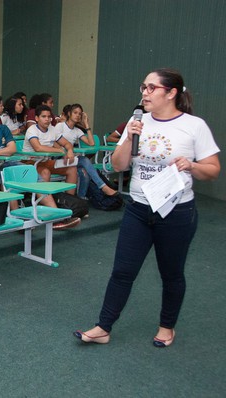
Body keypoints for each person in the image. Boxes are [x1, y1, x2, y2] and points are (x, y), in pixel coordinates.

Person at [74, 68, 220, 347]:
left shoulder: (194, 126)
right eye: (143, 86)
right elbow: (118, 166)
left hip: (176, 213)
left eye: (152, 88)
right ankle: (103, 328)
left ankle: (167, 327)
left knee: (171, 273)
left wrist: (192, 165)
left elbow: (213, 170)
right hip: (139, 209)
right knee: (122, 271)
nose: (144, 92)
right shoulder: (136, 121)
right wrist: (129, 137)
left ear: (172, 93)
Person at [56, 103, 118, 197]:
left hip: (71, 160)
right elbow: (54, 142)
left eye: (80, 114)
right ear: (69, 114)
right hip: (59, 159)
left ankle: (81, 198)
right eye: (75, 113)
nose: (78, 115)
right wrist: (65, 151)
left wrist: (86, 124)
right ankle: (103, 187)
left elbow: (91, 143)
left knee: (84, 172)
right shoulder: (60, 126)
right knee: (84, 160)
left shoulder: (77, 130)